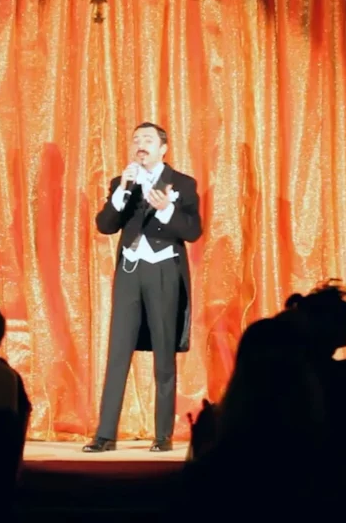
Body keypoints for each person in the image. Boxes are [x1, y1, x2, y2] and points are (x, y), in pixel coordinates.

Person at [83, 122, 202, 453]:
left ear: (163, 148)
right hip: (130, 272)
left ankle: (162, 434)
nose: (140, 144)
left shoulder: (182, 183)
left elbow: (193, 231)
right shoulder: (123, 183)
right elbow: (105, 226)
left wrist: (167, 210)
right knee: (118, 350)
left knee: (164, 354)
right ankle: (105, 435)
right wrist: (120, 194)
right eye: (136, 139)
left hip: (164, 270)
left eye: (148, 139)